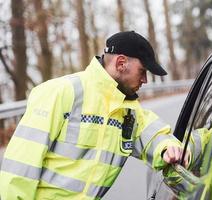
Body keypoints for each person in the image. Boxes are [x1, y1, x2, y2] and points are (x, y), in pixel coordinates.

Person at [0, 31, 188, 199]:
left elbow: (154, 135)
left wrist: (168, 148)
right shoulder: (61, 92)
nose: (145, 80)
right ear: (121, 63)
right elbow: (20, 168)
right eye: (142, 71)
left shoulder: (128, 110)